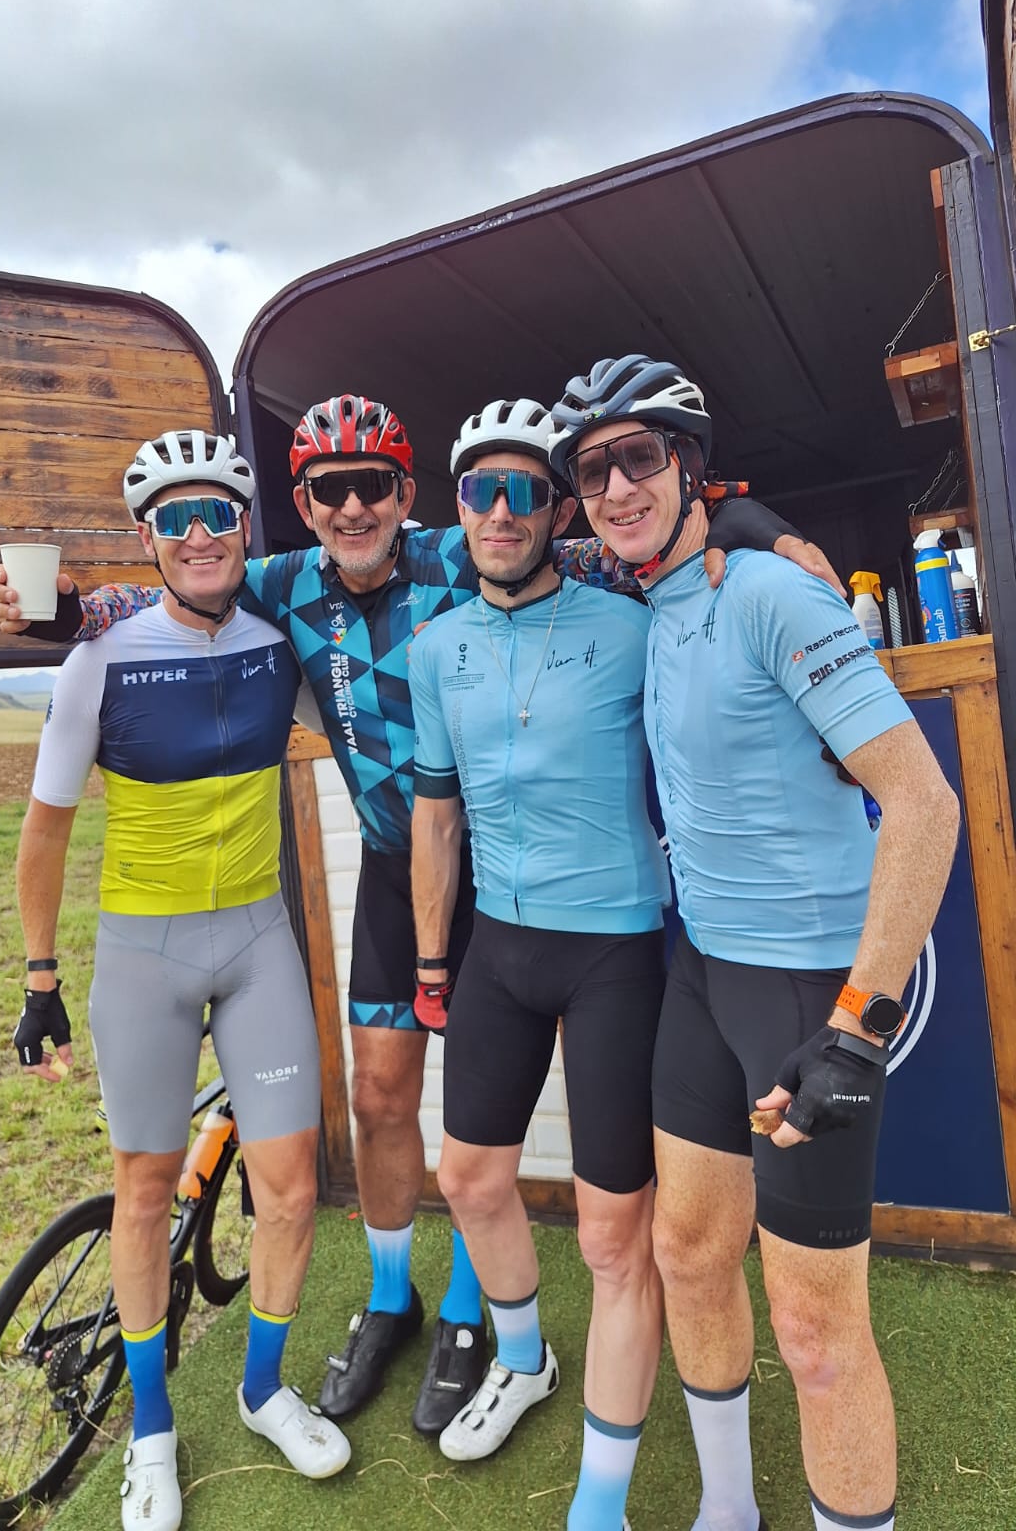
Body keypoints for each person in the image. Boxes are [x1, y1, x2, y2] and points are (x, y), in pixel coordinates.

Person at [0, 394, 836, 1438]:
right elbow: (171, 581)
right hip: (404, 866)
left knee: (487, 1116)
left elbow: (647, 543)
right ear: (297, 505)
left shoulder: (477, 538)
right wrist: (67, 601)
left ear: (407, 494)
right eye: (328, 491)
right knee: (384, 1093)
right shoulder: (277, 581)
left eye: (373, 486)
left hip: (514, 875)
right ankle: (392, 1296)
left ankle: (473, 1318)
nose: (353, 508)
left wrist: (762, 529)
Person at [548, 356, 959, 1531]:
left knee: (817, 1330)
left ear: (686, 464)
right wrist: (752, 516)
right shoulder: (643, 593)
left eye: (640, 456)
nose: (617, 484)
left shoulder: (772, 593)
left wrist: (857, 1024)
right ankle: (727, 1510)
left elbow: (926, 805)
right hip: (702, 972)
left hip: (806, 990)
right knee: (684, 1251)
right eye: (595, 467)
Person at [14, 430, 350, 1531]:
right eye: (174, 518)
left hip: (257, 942)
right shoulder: (99, 659)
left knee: (292, 1184)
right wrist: (39, 975)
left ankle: (260, 1387)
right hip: (142, 953)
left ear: (248, 527)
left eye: (218, 513)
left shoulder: (279, 645)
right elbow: (46, 830)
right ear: (147, 538)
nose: (199, 534)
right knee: (146, 1189)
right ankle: (151, 1426)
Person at [409, 399, 669, 1529]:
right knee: (468, 1176)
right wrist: (431, 962)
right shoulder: (437, 647)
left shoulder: (630, 625)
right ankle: (526, 1359)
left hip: (617, 946)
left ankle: (600, 1503)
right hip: (497, 948)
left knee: (617, 1235)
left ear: (560, 510)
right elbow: (436, 817)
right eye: (482, 491)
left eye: (526, 491)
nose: (502, 511)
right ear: (458, 509)